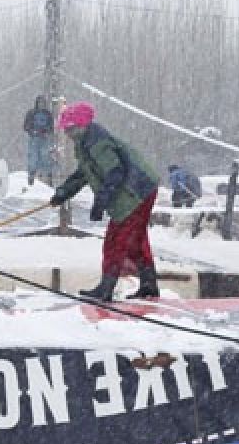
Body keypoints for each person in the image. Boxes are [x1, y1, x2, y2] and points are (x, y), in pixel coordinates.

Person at [49, 102, 160, 302]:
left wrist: (101, 201)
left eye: (69, 129)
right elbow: (84, 173)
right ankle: (148, 284)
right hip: (141, 188)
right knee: (134, 238)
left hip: (136, 192)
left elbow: (115, 172)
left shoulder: (96, 142)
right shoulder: (85, 143)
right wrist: (63, 193)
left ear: (80, 126)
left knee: (116, 240)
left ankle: (106, 287)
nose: (66, 133)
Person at [22, 96, 55, 186]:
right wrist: (33, 131)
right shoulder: (31, 113)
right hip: (34, 139)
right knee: (33, 158)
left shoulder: (48, 114)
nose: (41, 104)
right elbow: (25, 126)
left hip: (45, 139)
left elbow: (51, 127)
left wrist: (46, 131)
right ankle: (31, 178)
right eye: (39, 102)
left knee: (46, 157)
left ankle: (49, 178)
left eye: (43, 103)